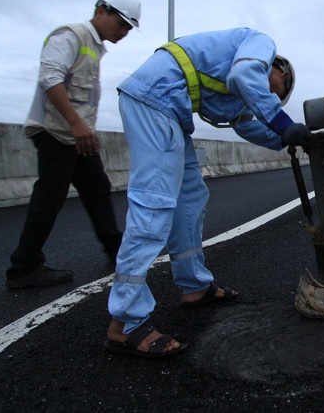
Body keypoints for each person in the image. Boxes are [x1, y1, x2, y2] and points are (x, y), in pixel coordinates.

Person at [104, 28, 312, 358]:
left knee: (190, 197)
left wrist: (289, 138)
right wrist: (281, 120)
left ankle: (194, 286)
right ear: (280, 70)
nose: (272, 94)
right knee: (155, 204)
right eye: (277, 91)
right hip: (154, 98)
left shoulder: (239, 91)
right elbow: (247, 75)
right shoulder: (259, 45)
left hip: (169, 110)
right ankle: (126, 322)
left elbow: (246, 125)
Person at [6, 0, 142, 289]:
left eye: (129, 27)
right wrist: (76, 123)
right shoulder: (70, 36)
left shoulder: (94, 46)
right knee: (50, 198)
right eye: (121, 23)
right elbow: (49, 77)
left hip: (77, 135)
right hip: (56, 132)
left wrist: (82, 128)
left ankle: (115, 249)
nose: (124, 32)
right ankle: (23, 268)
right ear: (101, 11)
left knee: (97, 187)